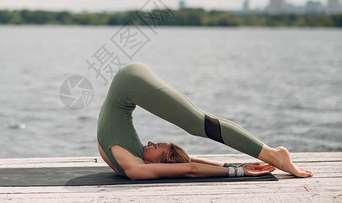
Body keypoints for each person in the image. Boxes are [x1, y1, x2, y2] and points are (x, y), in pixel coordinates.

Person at [97, 62, 313, 180]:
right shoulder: (139, 166)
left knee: (198, 124)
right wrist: (234, 168)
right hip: (129, 83)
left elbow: (187, 167)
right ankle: (274, 155)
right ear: (158, 164)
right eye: (156, 146)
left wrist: (236, 170)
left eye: (155, 146)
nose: (151, 142)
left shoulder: (137, 167)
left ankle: (274, 154)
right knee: (198, 124)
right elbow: (189, 165)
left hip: (130, 83)